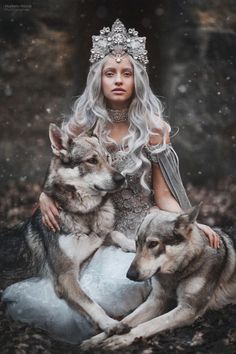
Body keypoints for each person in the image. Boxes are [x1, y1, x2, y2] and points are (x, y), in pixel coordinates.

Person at [3, 19, 219, 344]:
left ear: (137, 80)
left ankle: (125, 320)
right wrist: (46, 196)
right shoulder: (81, 125)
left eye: (126, 73)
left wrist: (189, 224)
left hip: (137, 236)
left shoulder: (155, 129)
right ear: (98, 79)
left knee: (118, 288)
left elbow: (163, 195)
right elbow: (61, 171)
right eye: (110, 73)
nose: (118, 80)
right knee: (68, 297)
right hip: (92, 230)